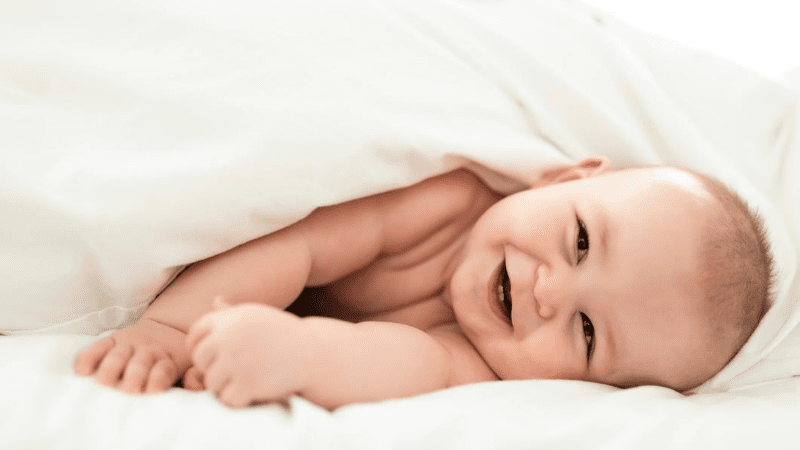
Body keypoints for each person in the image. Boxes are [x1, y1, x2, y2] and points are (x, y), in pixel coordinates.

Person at [73, 156, 773, 410]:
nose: (550, 294)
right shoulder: (439, 206)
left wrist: (298, 352)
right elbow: (303, 246)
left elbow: (407, 366)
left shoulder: (486, 367)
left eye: (587, 333)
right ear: (563, 178)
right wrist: (168, 330)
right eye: (581, 240)